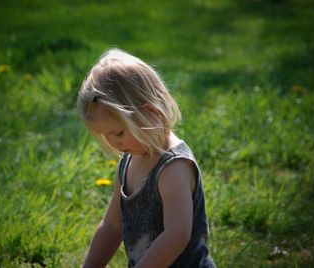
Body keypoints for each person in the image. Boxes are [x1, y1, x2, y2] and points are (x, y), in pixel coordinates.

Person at [77, 48, 216, 268]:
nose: (114, 143)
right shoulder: (128, 161)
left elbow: (176, 235)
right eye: (106, 136)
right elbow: (113, 226)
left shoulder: (173, 167)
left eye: (119, 133)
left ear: (150, 113)